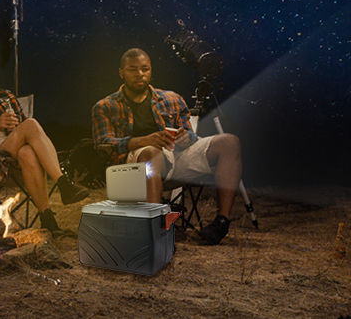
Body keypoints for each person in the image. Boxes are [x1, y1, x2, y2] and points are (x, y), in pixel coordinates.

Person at [91, 48, 243, 245]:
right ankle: (155, 230)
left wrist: (185, 137)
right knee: (152, 153)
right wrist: (144, 140)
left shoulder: (172, 98)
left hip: (175, 155)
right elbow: (102, 144)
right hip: (136, 163)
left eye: (145, 69)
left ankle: (221, 222)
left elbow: (189, 132)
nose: (140, 74)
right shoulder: (105, 106)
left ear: (151, 70)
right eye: (132, 69)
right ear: (121, 72)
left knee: (229, 142)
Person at [0, 49, 88, 236]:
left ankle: (48, 220)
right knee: (30, 124)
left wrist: (14, 130)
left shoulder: (5, 98)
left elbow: (27, 136)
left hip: (12, 162)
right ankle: (63, 183)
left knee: (27, 152)